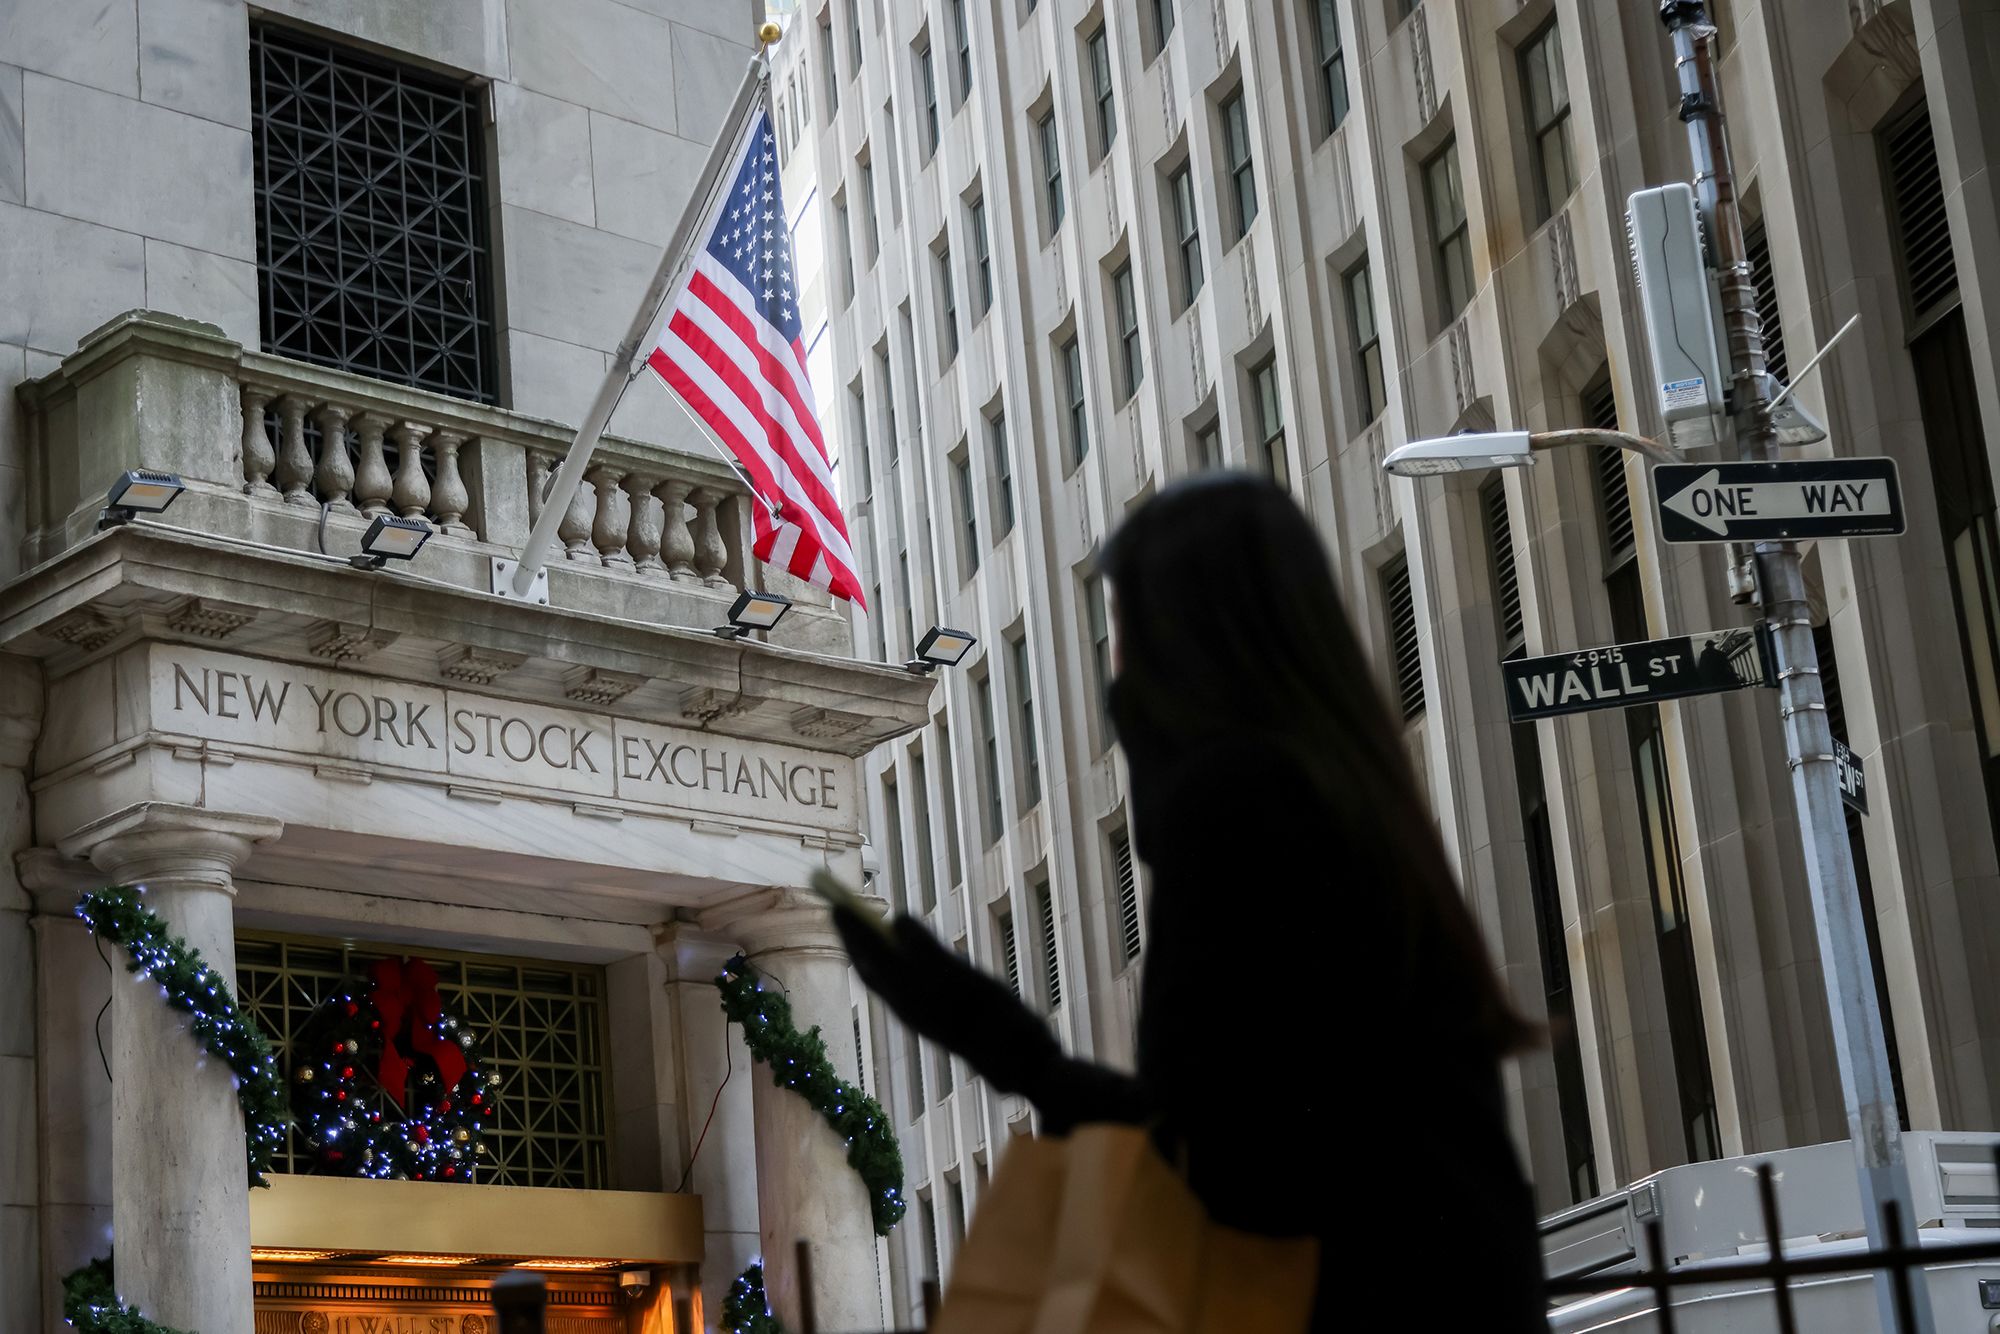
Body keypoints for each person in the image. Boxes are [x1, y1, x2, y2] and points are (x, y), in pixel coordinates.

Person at [833, 473, 1546, 1331]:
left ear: (1182, 635)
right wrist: (1018, 1052)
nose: (1114, 661)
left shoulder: (1237, 804)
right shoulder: (1353, 798)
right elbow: (1267, 1132)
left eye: (1123, 626)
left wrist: (1011, 1050)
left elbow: (1227, 1164)